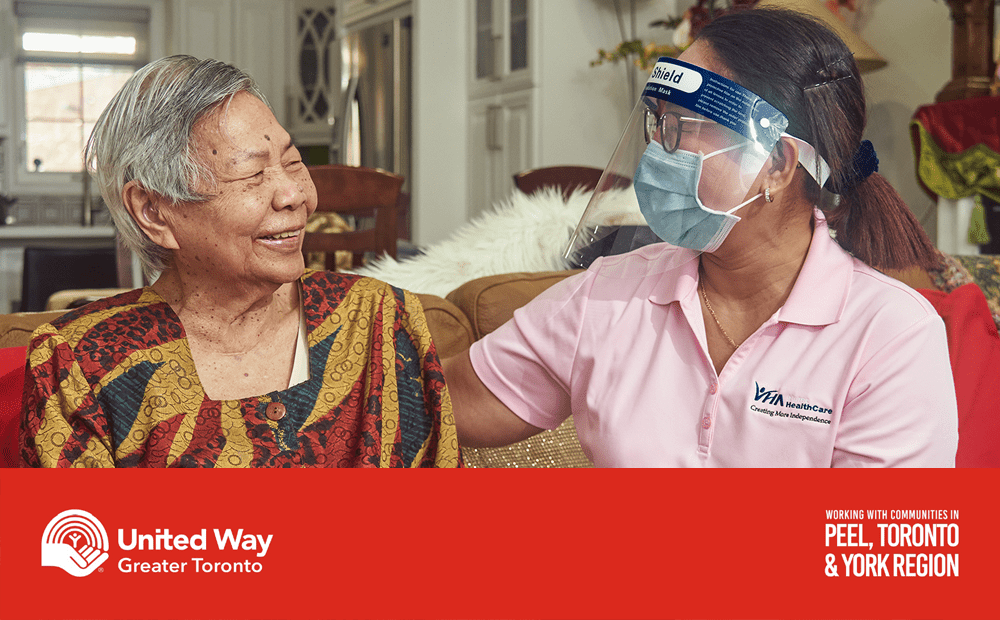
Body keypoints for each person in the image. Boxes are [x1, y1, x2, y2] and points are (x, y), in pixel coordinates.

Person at [444, 7, 958, 467]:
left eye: (680, 128)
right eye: (656, 126)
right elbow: (451, 398)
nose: (656, 154)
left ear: (775, 163)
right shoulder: (608, 293)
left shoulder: (891, 335)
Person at [20, 55, 459, 468]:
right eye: (253, 174)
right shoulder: (80, 364)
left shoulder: (379, 320)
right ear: (154, 211)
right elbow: (77, 542)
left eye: (293, 162)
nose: (296, 196)